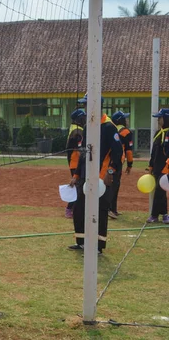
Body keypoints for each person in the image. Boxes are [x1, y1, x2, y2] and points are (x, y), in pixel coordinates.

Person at [69, 95, 123, 254]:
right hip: (86, 177)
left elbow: (118, 153)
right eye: (84, 105)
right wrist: (77, 175)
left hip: (102, 178)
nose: (85, 108)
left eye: (87, 105)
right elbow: (84, 155)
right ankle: (81, 242)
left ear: (96, 106)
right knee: (79, 208)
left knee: (100, 210)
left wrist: (110, 172)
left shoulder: (109, 127)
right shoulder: (88, 127)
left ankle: (98, 247)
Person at [146, 108, 169, 224]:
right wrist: (151, 167)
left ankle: (156, 215)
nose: (158, 121)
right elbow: (154, 152)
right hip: (157, 167)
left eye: (160, 118)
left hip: (166, 168)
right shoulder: (158, 133)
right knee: (159, 191)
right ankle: (163, 214)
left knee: (160, 191)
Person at [110, 111, 133, 219]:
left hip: (108, 161)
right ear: (121, 120)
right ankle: (110, 209)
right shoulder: (126, 132)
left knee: (111, 184)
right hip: (118, 161)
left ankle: (113, 209)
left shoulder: (112, 129)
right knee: (115, 185)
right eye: (125, 118)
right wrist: (130, 164)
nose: (127, 120)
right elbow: (128, 150)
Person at [65, 109, 86, 219]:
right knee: (78, 186)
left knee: (79, 186)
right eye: (83, 117)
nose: (85, 119)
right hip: (75, 162)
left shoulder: (77, 129)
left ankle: (74, 208)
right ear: (78, 119)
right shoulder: (77, 131)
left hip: (76, 162)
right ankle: (69, 208)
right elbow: (79, 149)